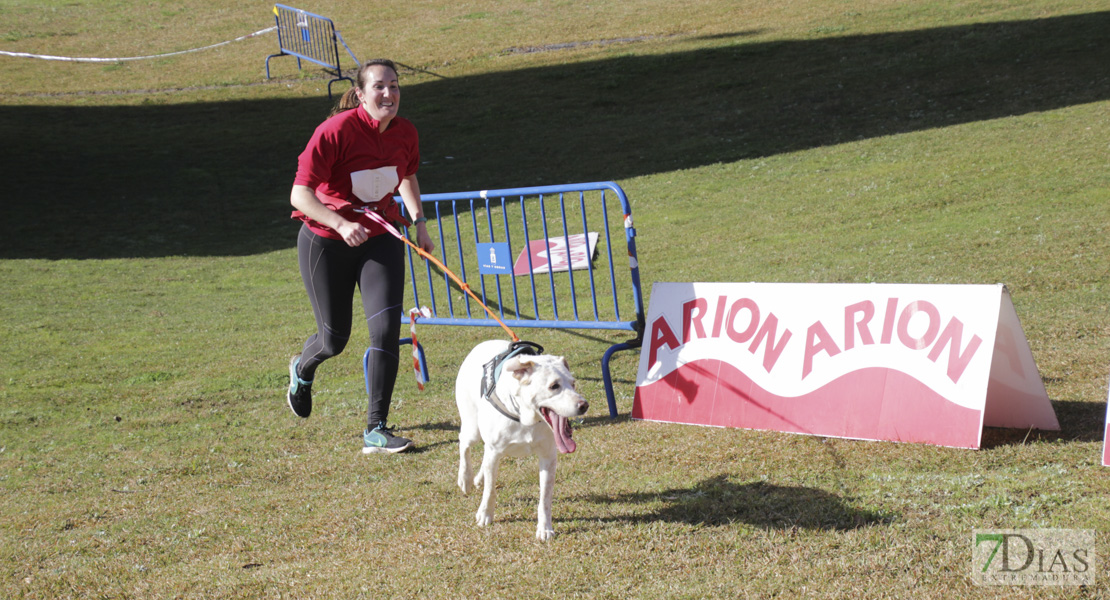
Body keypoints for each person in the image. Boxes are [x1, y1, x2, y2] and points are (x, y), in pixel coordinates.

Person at [286, 59, 434, 454]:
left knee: (386, 329)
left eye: (395, 86)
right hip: (326, 241)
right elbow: (299, 195)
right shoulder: (335, 131)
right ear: (361, 94)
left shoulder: (405, 132)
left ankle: (377, 429)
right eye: (380, 87)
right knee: (334, 339)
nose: (389, 94)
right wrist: (338, 223)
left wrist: (419, 221)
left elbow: (406, 174)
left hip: (380, 238)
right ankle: (302, 368)